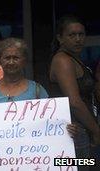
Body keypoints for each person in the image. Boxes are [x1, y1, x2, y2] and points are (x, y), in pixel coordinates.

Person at [0, 37, 77, 143]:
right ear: (0, 61)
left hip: (30, 158)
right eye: (7, 58)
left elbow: (53, 125)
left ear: (24, 61)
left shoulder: (37, 90)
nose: (11, 62)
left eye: (16, 58)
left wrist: (66, 129)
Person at [49, 15, 100, 170]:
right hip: (76, 134)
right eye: (72, 35)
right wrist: (97, 131)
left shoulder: (74, 59)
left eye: (81, 34)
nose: (78, 39)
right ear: (60, 38)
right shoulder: (62, 60)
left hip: (84, 130)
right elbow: (74, 102)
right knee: (82, 167)